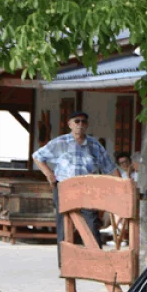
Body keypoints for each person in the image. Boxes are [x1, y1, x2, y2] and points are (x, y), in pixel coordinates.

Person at [32, 111, 115, 261]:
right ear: (70, 124)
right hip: (65, 187)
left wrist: (122, 186)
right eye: (77, 121)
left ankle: (97, 262)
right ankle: (65, 263)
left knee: (91, 223)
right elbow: (37, 156)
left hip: (88, 188)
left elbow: (110, 168)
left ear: (87, 125)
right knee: (64, 224)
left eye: (84, 121)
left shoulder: (94, 145)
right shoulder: (60, 142)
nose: (80, 124)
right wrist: (49, 174)